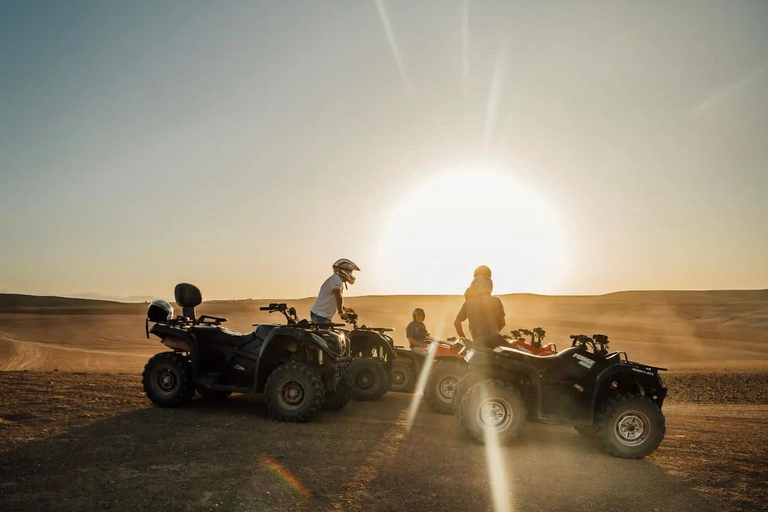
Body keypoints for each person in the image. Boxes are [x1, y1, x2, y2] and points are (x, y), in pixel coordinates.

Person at [454, 268, 506, 349]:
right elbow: (502, 323)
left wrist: (464, 339)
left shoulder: (468, 302)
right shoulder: (497, 301)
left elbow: (457, 323)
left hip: (478, 343)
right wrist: (492, 334)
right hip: (497, 341)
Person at [310, 259, 360, 324]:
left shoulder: (336, 280)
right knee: (326, 333)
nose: (351, 275)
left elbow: (332, 299)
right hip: (321, 315)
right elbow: (338, 295)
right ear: (345, 271)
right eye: (350, 272)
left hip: (321, 314)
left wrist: (345, 309)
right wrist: (341, 312)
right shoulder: (336, 280)